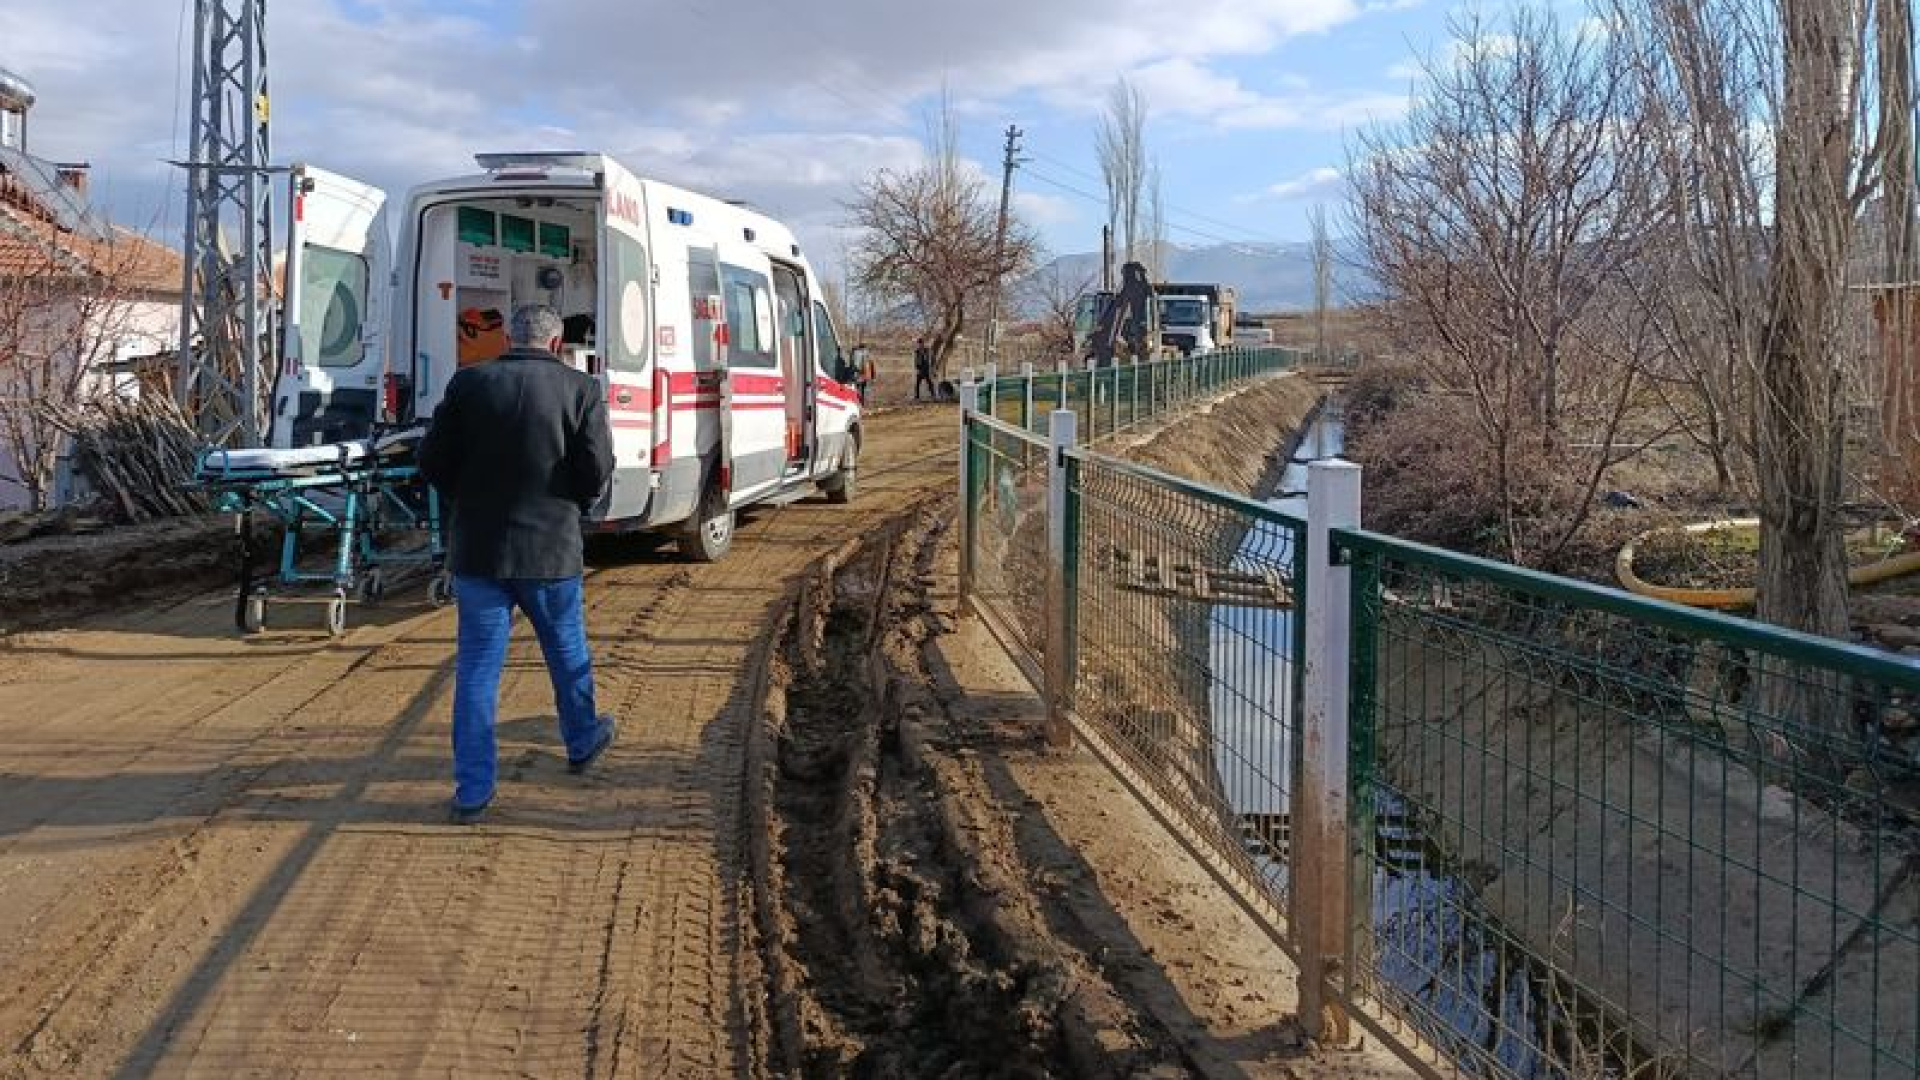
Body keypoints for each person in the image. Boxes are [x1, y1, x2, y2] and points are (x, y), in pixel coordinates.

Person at [419, 304, 619, 824]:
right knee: (566, 651)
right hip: (551, 552)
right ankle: (580, 741)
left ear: (508, 337)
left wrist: (470, 498)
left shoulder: (468, 385)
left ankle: (472, 791)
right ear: (556, 344)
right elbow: (596, 468)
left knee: (478, 670)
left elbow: (433, 463)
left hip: (480, 552)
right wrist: (571, 503)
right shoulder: (581, 390)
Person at [912, 337, 936, 401]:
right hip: (920, 369)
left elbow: (932, 358)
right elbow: (915, 361)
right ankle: (916, 397)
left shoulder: (927, 350)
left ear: (923, 343)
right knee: (917, 384)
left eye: (921, 343)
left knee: (930, 383)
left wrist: (932, 367)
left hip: (926, 369)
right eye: (919, 343)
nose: (920, 345)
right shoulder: (917, 351)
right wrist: (917, 368)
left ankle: (933, 395)